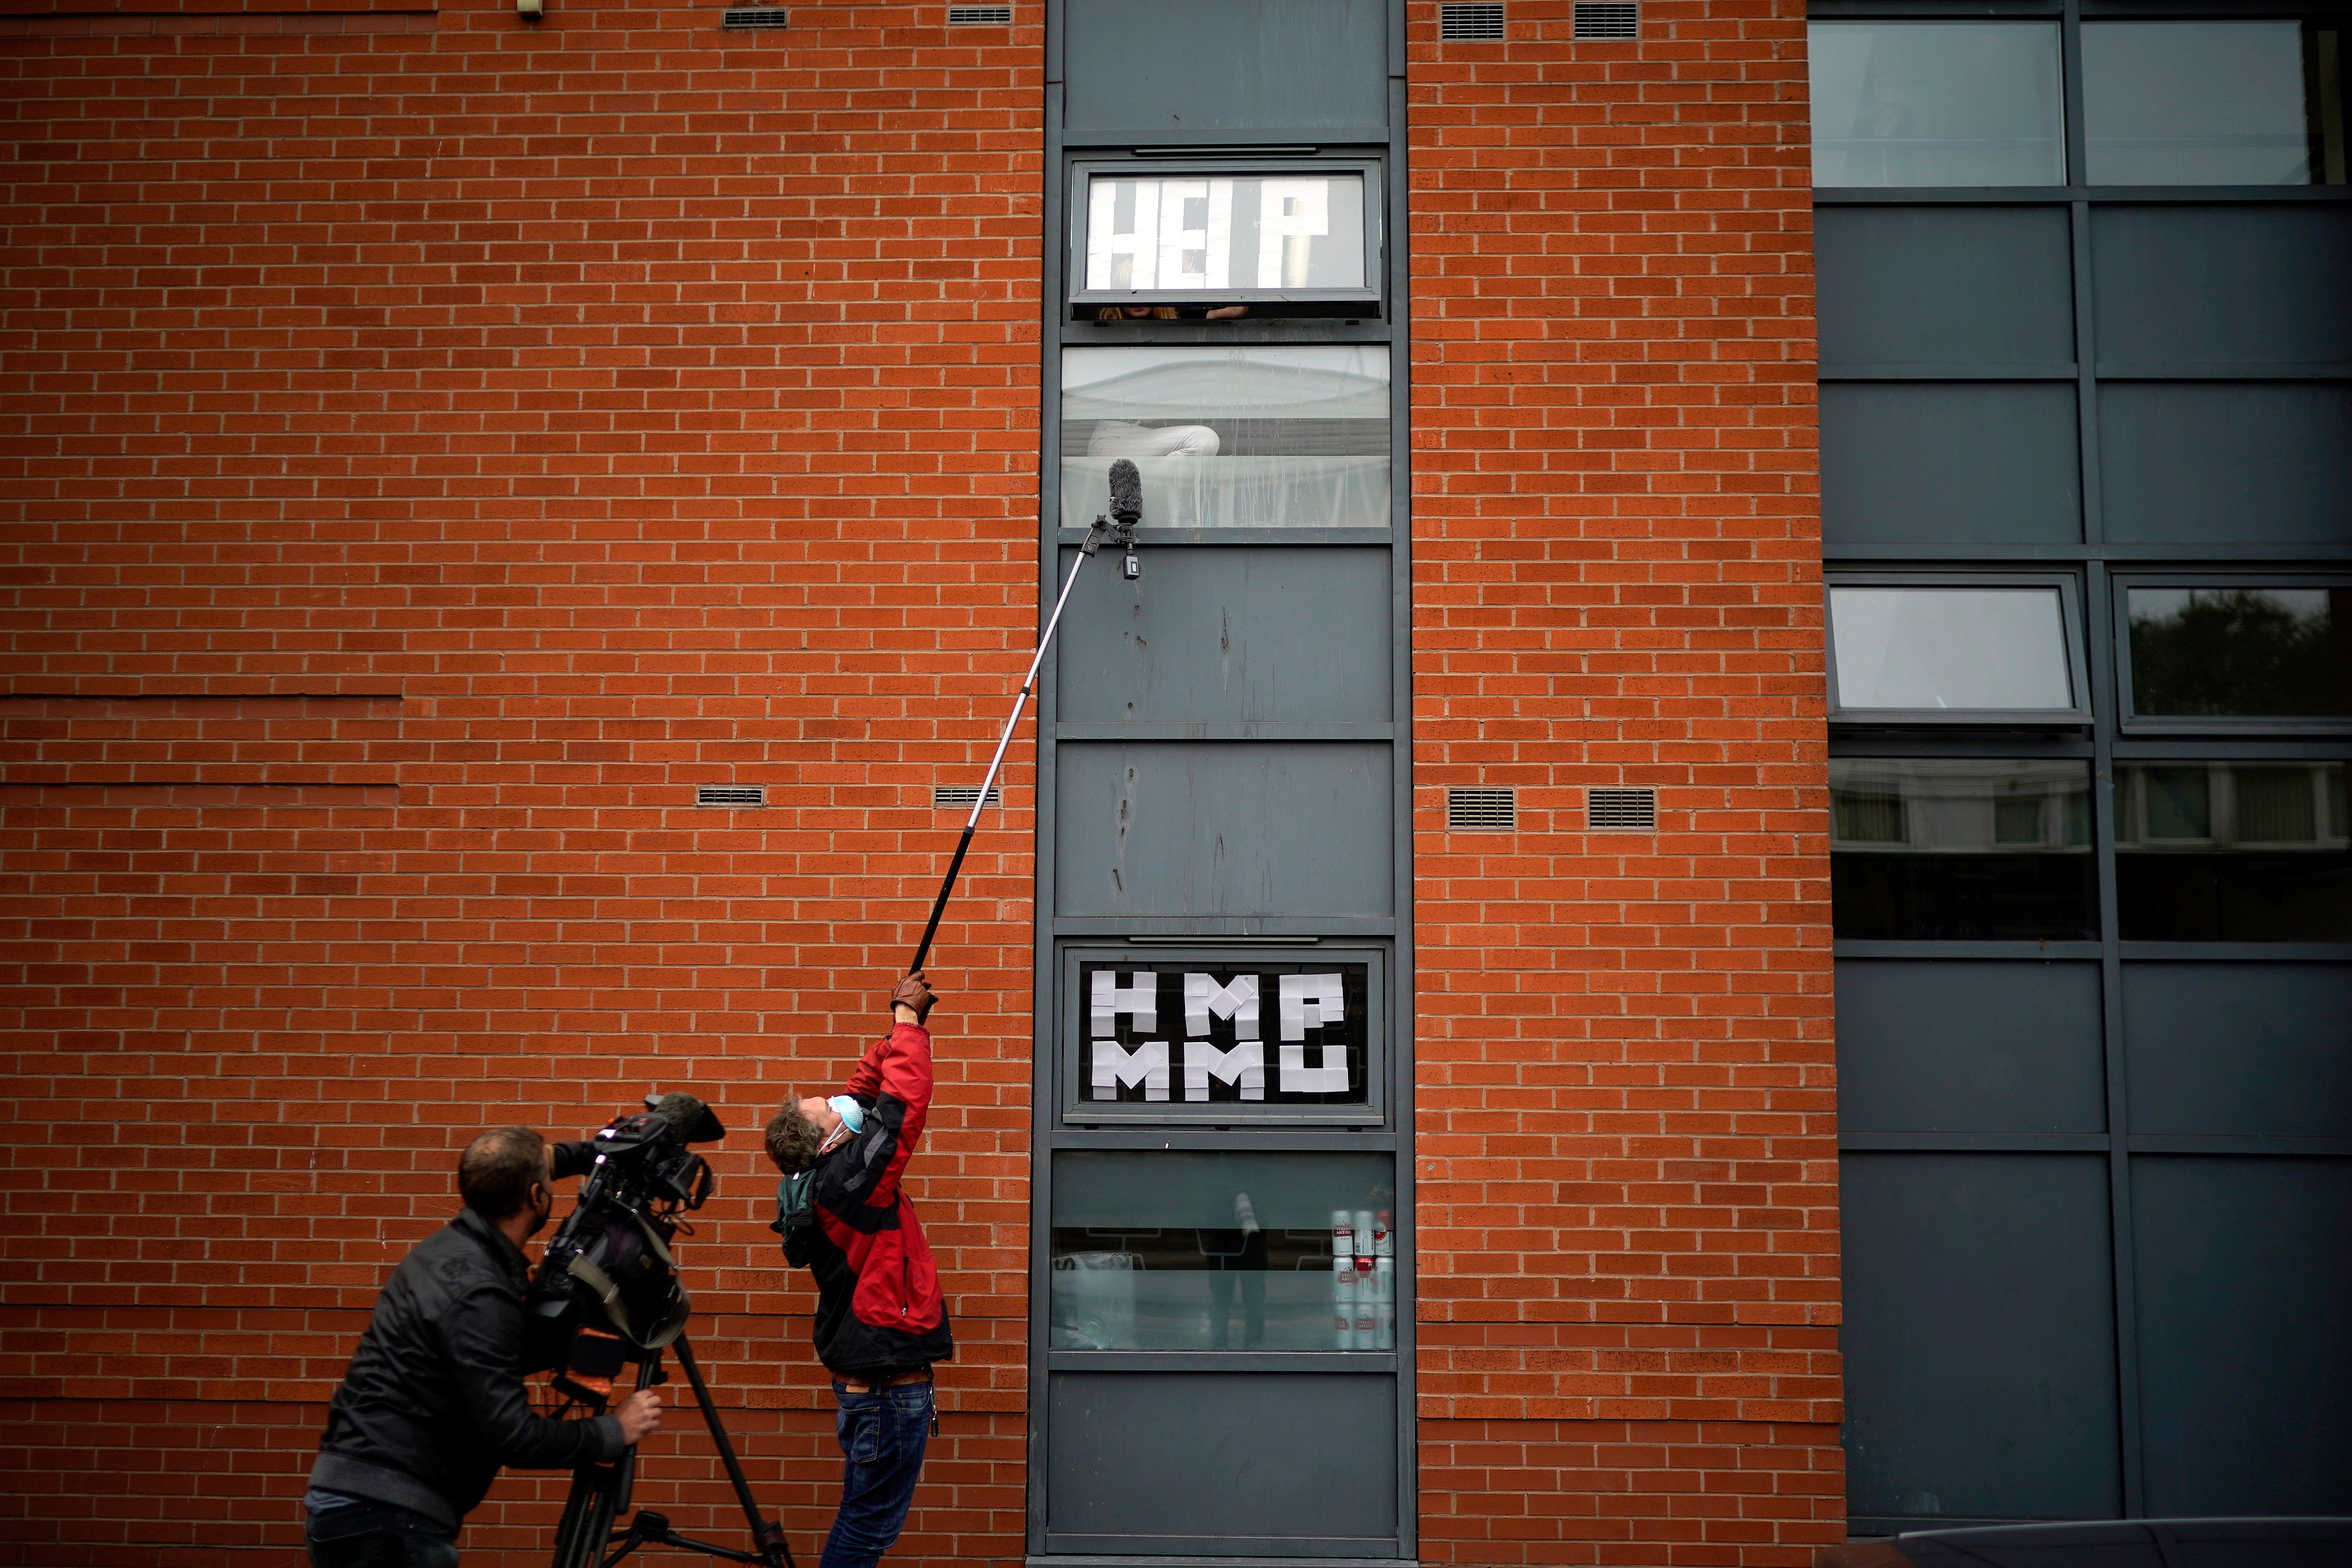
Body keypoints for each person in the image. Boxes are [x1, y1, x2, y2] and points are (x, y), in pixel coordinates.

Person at [303, 1126, 664, 1566]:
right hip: (386, 1517)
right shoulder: (480, 1293)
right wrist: (615, 1430)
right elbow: (515, 1437)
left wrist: (601, 1153)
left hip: (364, 1502)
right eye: (548, 1183)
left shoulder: (448, 1253)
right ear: (536, 1196)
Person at [764, 971, 953, 1568]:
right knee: (866, 1532)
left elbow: (870, 1093)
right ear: (827, 1142)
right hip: (887, 1392)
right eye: (828, 1109)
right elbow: (900, 1114)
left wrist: (895, 1032)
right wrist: (908, 1027)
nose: (840, 1101)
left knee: (863, 1522)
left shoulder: (830, 1176)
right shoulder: (850, 1182)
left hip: (876, 1387)